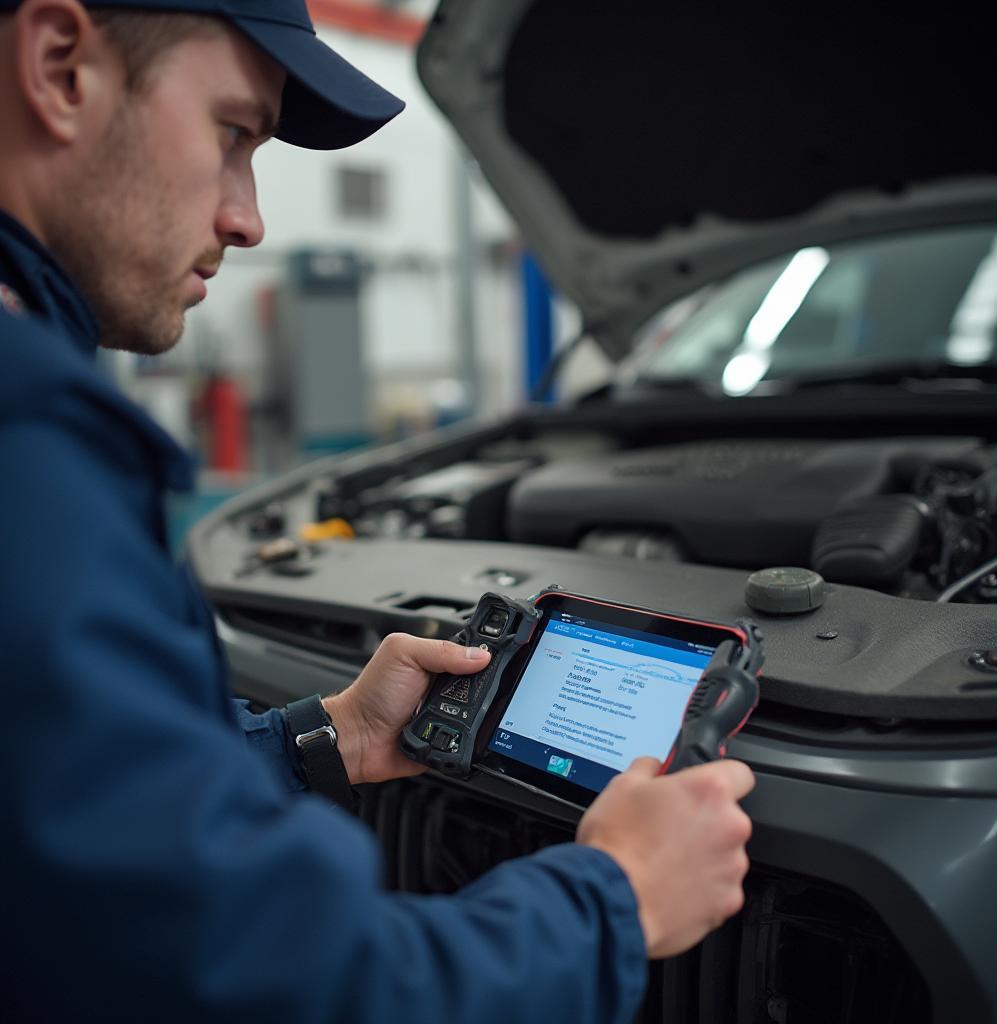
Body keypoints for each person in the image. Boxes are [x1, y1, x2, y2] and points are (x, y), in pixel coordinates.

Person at [0, 2, 755, 1021]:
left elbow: (63, 803)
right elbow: (278, 983)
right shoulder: (28, 441)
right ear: (58, 66)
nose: (248, 217)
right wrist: (613, 902)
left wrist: (327, 736)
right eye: (233, 133)